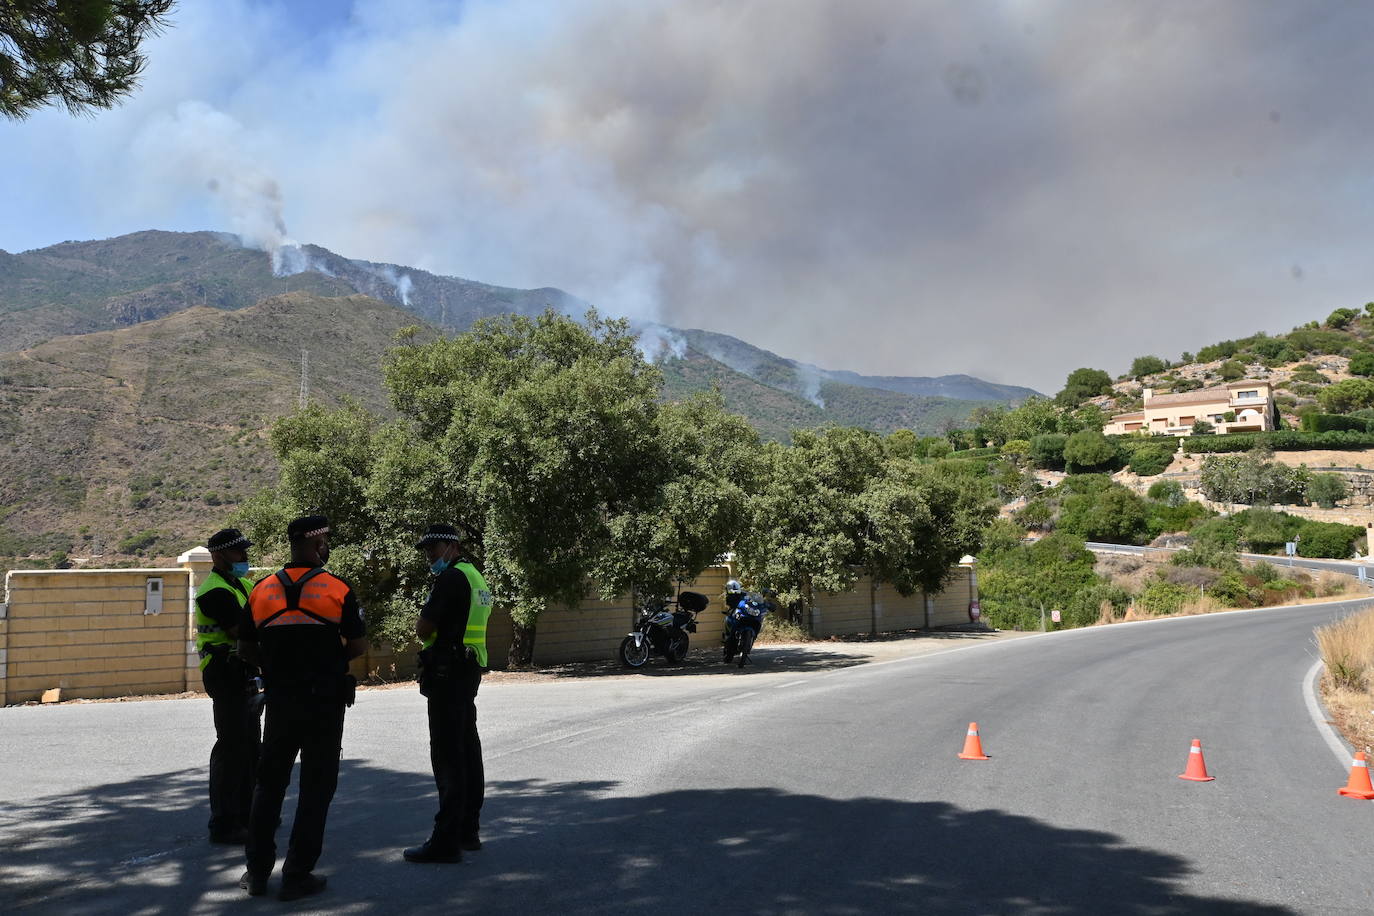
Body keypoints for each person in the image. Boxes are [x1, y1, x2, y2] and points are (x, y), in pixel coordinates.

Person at [237, 514, 366, 901]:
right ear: (315, 543)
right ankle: (297, 875)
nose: (327, 547)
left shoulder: (262, 591)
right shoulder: (338, 589)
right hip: (325, 702)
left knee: (269, 783)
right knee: (316, 787)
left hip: (281, 701)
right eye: (325, 540)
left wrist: (276, 667)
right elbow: (358, 647)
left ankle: (257, 873)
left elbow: (245, 648)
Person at [404, 523, 493, 864]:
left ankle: (445, 841)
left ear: (452, 546)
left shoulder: (451, 578)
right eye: (426, 549)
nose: (429, 554)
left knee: (448, 757)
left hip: (448, 672)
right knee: (468, 749)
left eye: (434, 547)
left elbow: (423, 627)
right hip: (467, 671)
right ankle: (469, 830)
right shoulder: (475, 576)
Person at [195, 528, 261, 845]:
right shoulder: (214, 591)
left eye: (244, 551)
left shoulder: (243, 585)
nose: (244, 557)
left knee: (249, 745)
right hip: (224, 672)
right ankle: (224, 822)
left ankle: (248, 815)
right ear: (218, 556)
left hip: (244, 672)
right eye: (238, 552)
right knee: (232, 746)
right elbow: (240, 631)